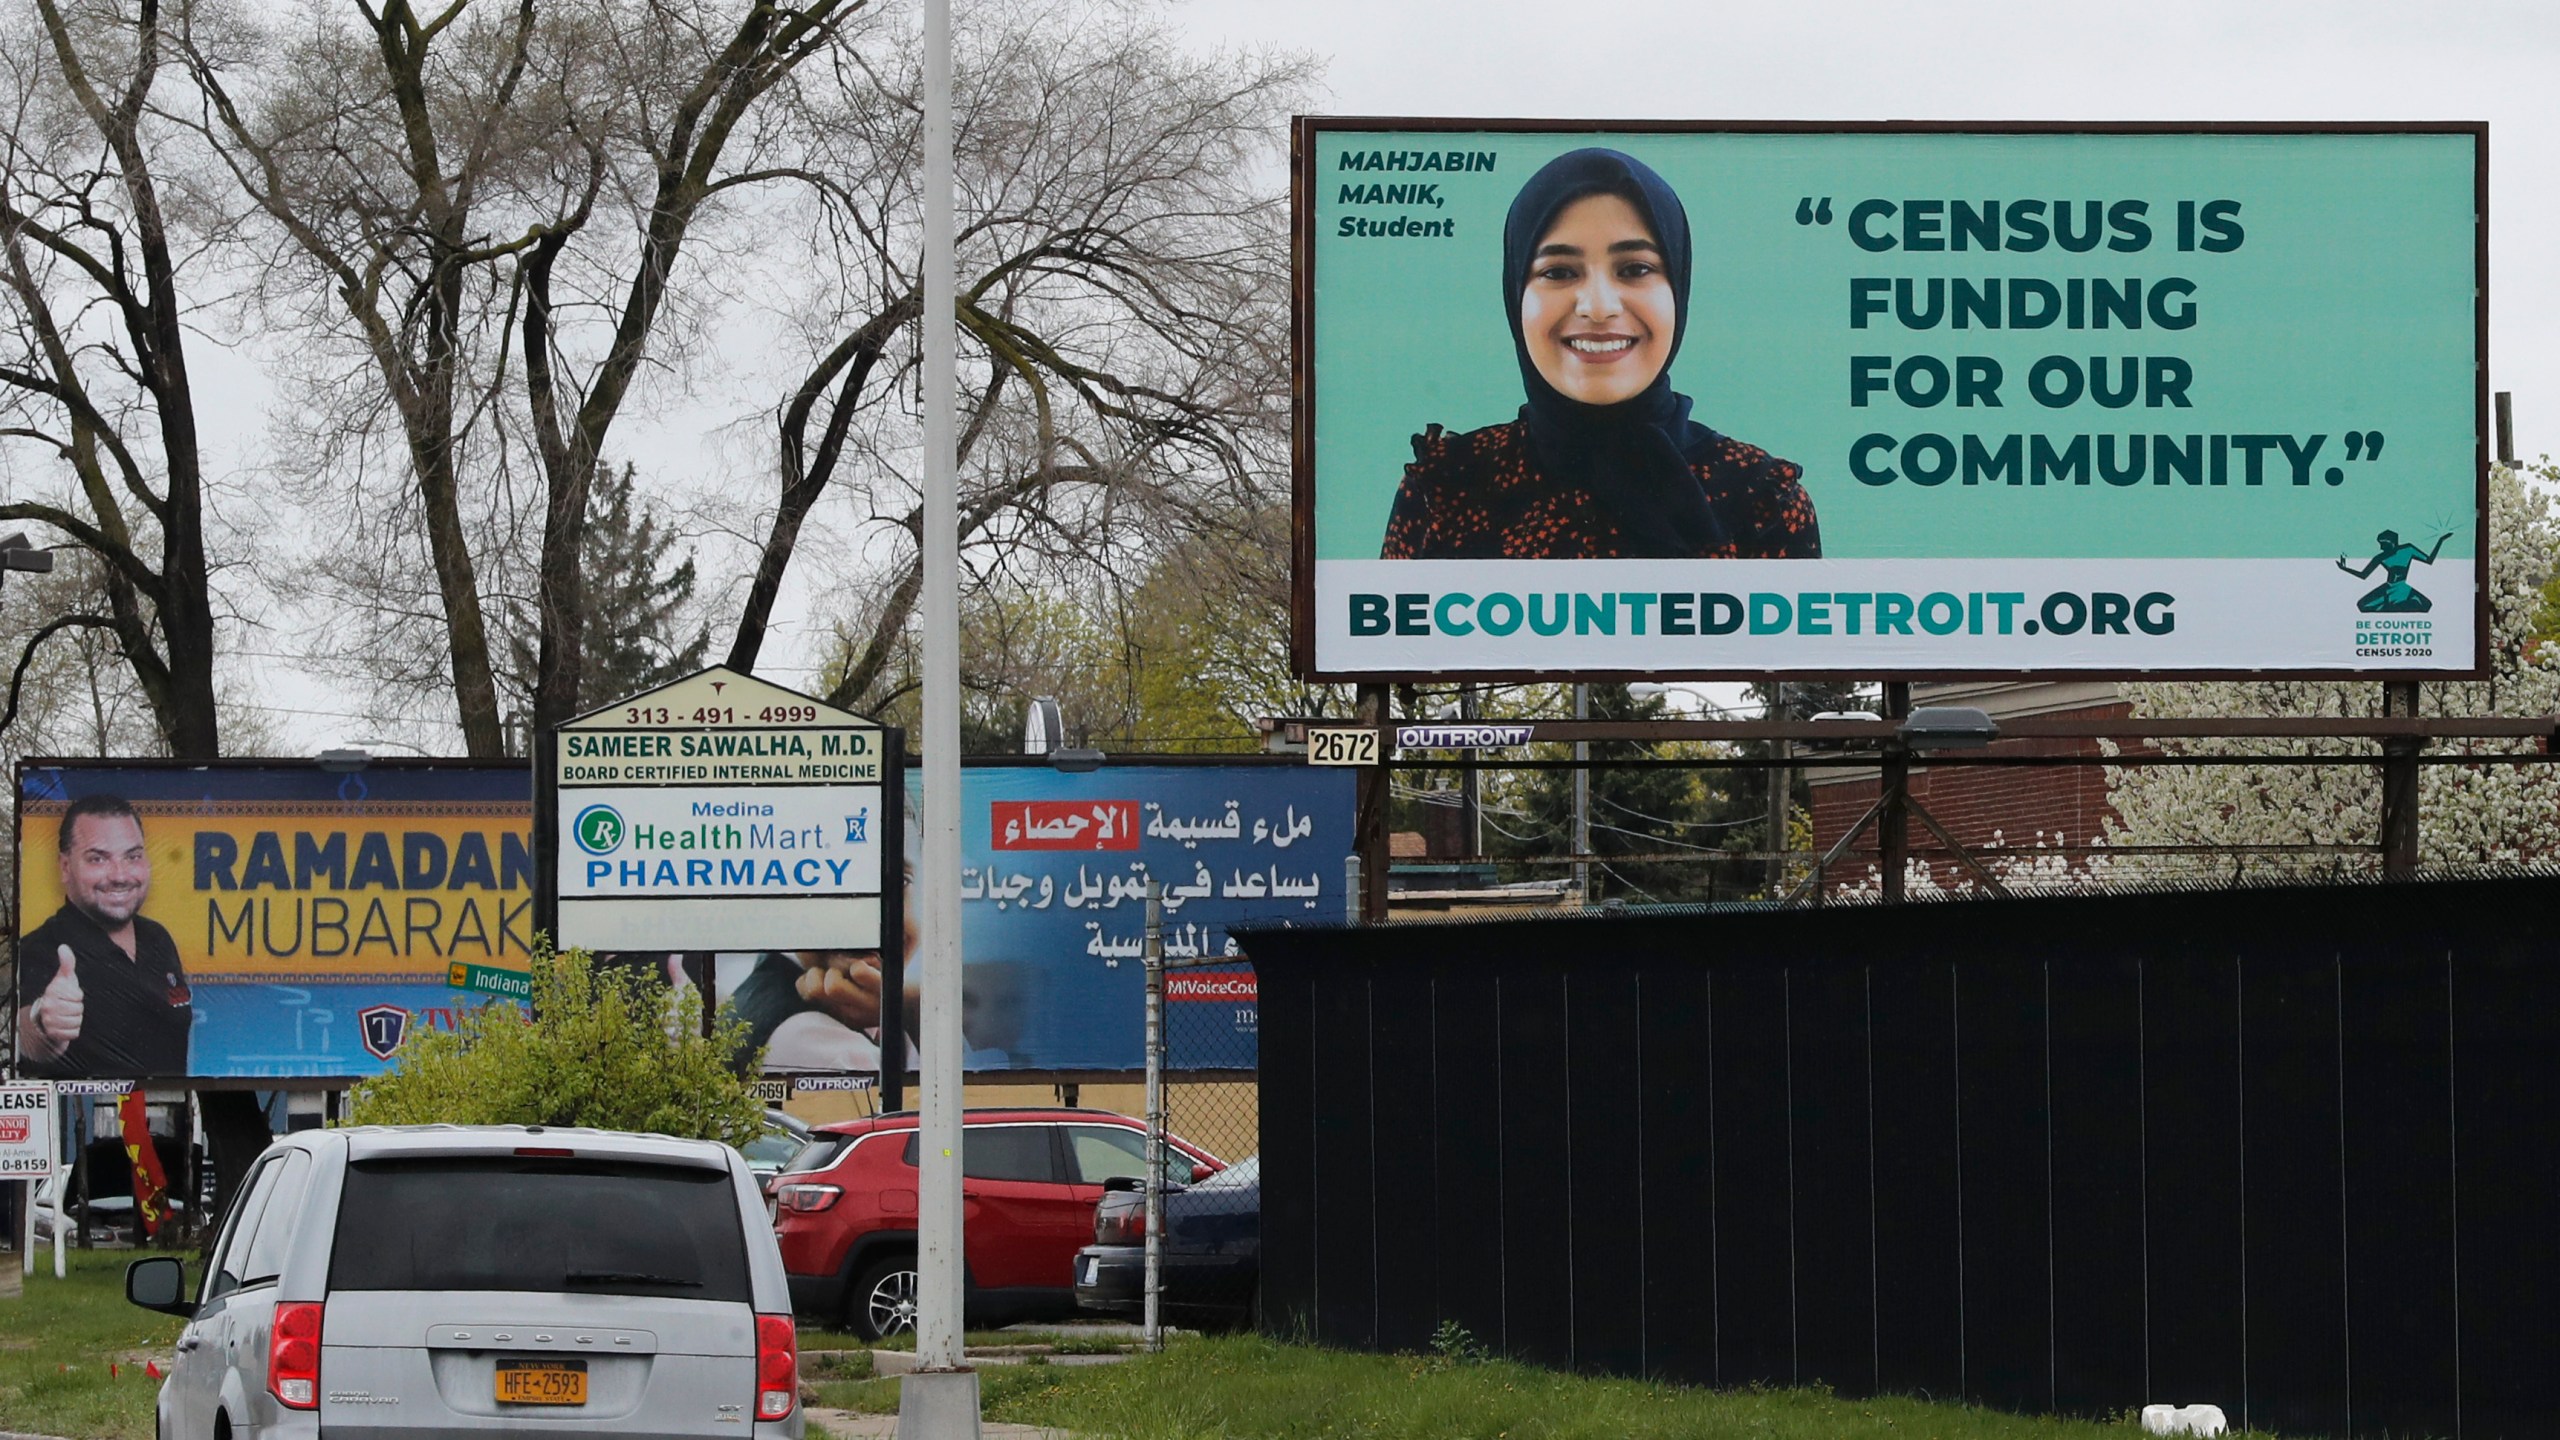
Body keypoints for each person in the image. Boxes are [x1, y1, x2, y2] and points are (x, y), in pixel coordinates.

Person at [1380, 147, 1819, 561]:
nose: (1598, 306)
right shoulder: (1447, 489)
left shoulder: (1758, 498)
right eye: (1558, 272)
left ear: (1678, 287)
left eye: (1635, 269)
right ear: (1516, 293)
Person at [16, 793, 191, 1078]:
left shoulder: (158, 939)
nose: (120, 875)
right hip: (90, 1118)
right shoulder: (39, 950)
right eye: (98, 859)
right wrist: (43, 1022)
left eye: (132, 856)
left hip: (168, 1117)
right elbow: (26, 1032)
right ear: (65, 867)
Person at [2337, 529, 2453, 612]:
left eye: (2383, 544)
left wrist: (2440, 541)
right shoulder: (2380, 557)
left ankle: (2396, 605)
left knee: (2426, 605)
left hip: (2402, 588)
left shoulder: (2408, 549)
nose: (2381, 547)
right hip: (2388, 587)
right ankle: (2392, 605)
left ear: (2392, 542)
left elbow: (2429, 560)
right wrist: (2345, 568)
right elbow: (2363, 575)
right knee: (2362, 605)